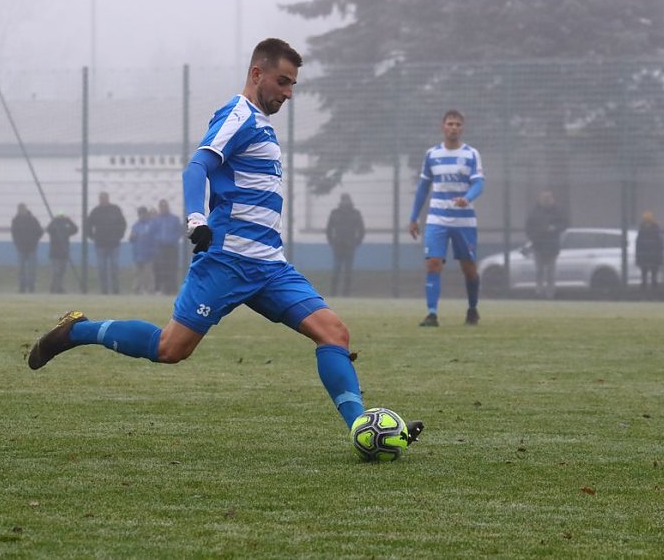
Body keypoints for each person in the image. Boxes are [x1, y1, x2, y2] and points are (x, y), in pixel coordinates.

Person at [27, 38, 424, 446]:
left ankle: (361, 429)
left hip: (270, 266)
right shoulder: (239, 116)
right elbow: (197, 166)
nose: (289, 92)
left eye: (293, 85)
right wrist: (196, 218)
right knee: (170, 348)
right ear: (257, 73)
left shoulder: (263, 125)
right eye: (283, 81)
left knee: (334, 333)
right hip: (227, 262)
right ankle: (77, 331)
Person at [408, 109, 485, 327]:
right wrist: (413, 218)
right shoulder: (432, 154)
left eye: (458, 124)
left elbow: (479, 183)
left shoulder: (471, 154)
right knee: (433, 263)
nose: (454, 128)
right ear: (443, 126)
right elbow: (423, 188)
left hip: (464, 221)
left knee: (469, 268)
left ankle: (472, 309)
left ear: (463, 128)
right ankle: (432, 314)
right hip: (437, 219)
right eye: (450, 124)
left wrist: (467, 198)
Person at [524, 188, 568, 299]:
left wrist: (555, 228)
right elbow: (528, 227)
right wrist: (534, 237)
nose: (546, 200)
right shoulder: (534, 212)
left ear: (552, 199)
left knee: (550, 272)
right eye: (544, 198)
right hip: (538, 246)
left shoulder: (557, 211)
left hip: (552, 246)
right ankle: (539, 292)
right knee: (539, 271)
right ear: (540, 199)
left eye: (548, 198)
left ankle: (550, 293)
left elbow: (564, 224)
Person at [325, 193, 365, 296]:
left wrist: (357, 241)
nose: (345, 202)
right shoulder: (335, 213)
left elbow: (361, 229)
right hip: (338, 246)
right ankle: (333, 293)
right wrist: (331, 241)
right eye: (343, 200)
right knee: (336, 269)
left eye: (346, 200)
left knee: (348, 271)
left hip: (350, 246)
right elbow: (329, 229)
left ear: (350, 201)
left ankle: (346, 293)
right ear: (341, 201)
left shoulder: (355, 213)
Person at [87, 192, 127, 294]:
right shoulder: (95, 211)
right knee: (102, 269)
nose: (102, 200)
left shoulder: (115, 209)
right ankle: (104, 290)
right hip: (100, 244)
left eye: (104, 198)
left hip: (114, 244)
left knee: (114, 267)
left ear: (108, 198)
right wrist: (92, 236)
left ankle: (115, 290)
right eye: (101, 198)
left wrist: (120, 235)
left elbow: (123, 223)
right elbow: (88, 225)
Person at [151, 199, 182, 295]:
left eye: (165, 206)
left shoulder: (174, 219)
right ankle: (162, 289)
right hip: (160, 248)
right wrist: (158, 240)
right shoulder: (156, 220)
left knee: (172, 268)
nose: (163, 208)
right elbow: (153, 232)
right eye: (162, 206)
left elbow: (179, 231)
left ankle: (172, 289)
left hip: (172, 247)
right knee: (161, 268)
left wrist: (173, 239)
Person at [11, 203, 43, 293]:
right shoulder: (16, 220)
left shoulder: (32, 220)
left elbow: (40, 231)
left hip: (32, 248)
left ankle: (31, 287)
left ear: (25, 209)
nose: (20, 210)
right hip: (21, 248)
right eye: (19, 209)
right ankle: (22, 287)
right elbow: (14, 233)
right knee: (21, 269)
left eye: (22, 209)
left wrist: (34, 241)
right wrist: (17, 243)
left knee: (31, 269)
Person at [46, 212, 78, 294]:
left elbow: (75, 229)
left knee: (62, 272)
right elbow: (48, 229)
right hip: (55, 253)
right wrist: (55, 220)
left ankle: (58, 287)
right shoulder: (54, 229)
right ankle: (55, 287)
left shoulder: (66, 230)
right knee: (56, 271)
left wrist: (68, 220)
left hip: (63, 252)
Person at [635, 210, 664, 296]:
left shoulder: (643, 229)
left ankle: (648, 294)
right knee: (650, 277)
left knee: (647, 276)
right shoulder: (654, 229)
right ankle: (651, 294)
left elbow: (638, 244)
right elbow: (660, 244)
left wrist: (638, 257)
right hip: (651, 256)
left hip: (647, 256)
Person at [129, 206, 156, 294]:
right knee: (137, 273)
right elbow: (131, 239)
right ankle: (136, 289)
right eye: (140, 214)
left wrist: (152, 250)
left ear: (146, 214)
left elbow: (153, 238)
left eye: (143, 213)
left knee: (148, 273)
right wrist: (132, 237)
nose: (141, 216)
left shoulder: (151, 225)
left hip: (148, 253)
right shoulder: (135, 226)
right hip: (137, 253)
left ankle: (150, 289)